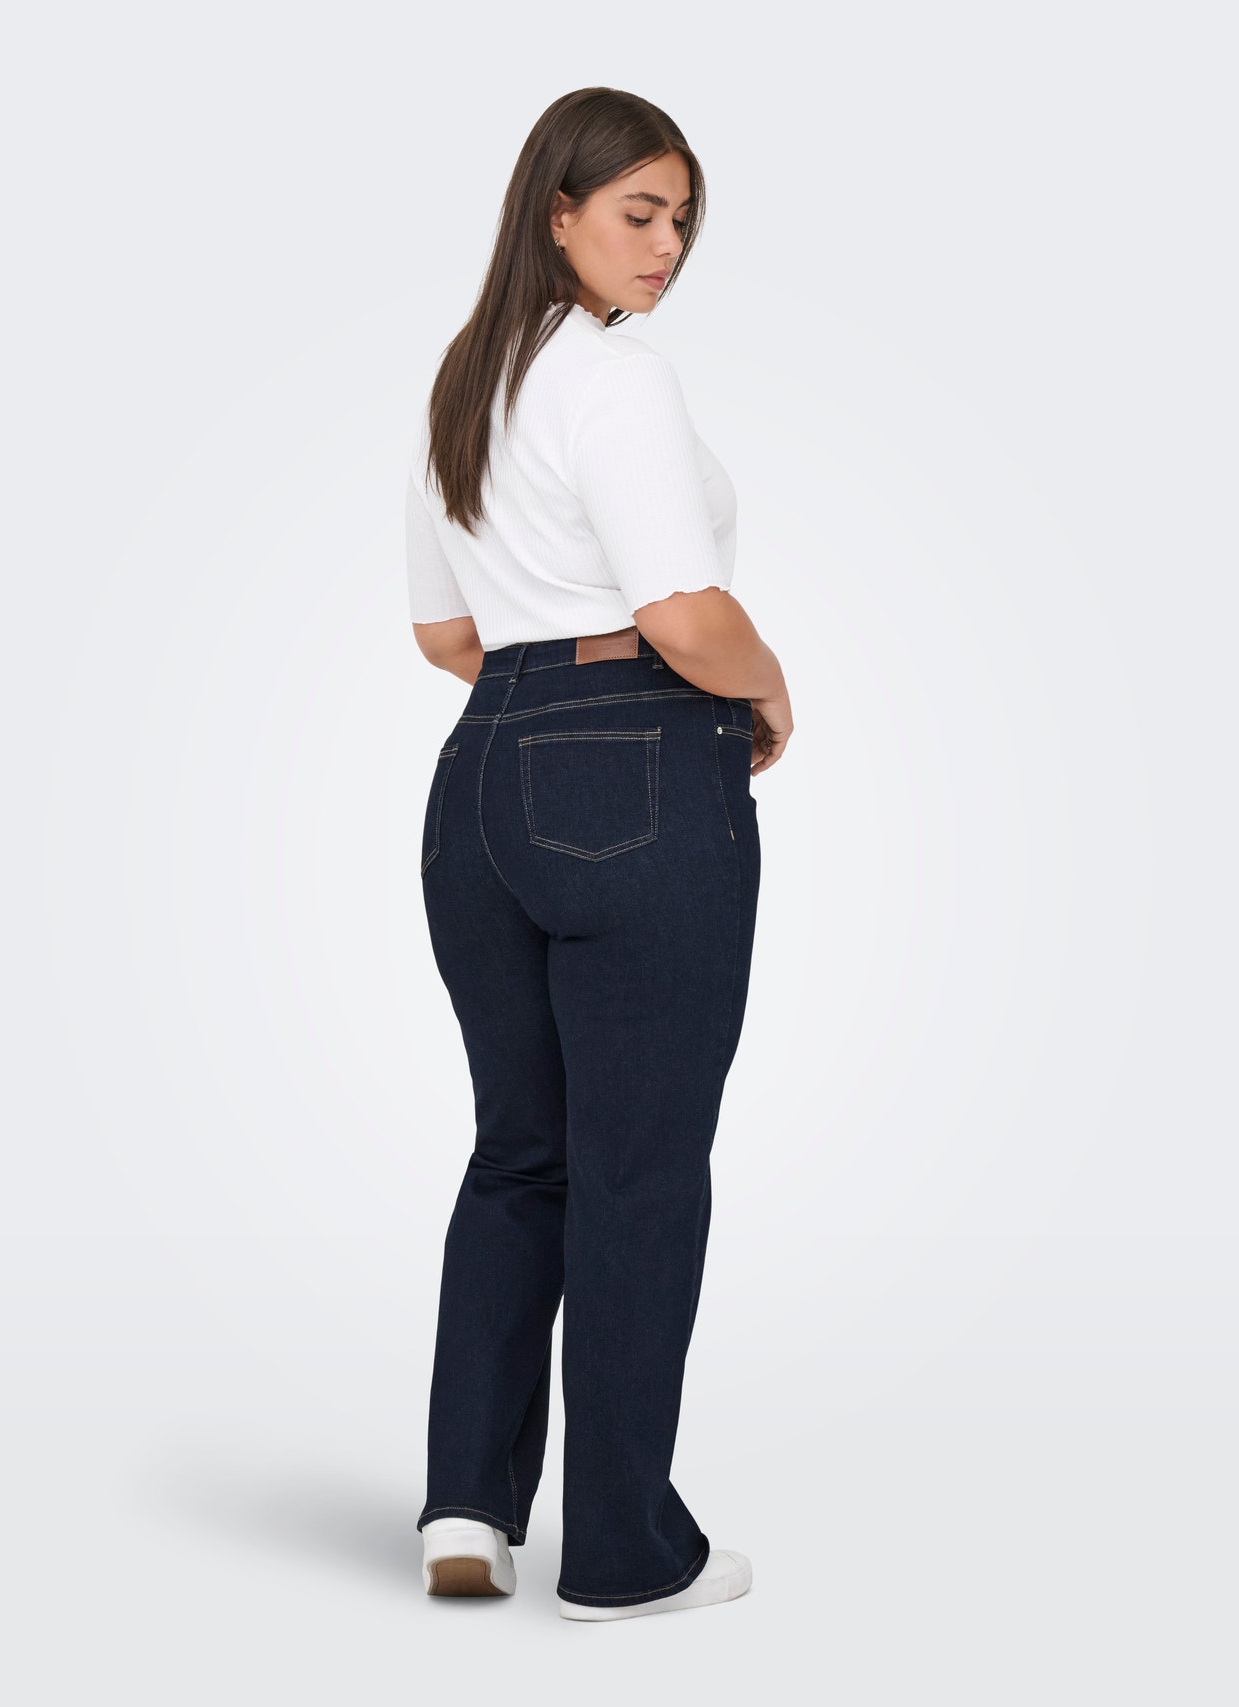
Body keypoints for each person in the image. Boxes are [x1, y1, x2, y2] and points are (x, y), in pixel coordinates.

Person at [404, 87, 793, 1621]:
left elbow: (446, 634)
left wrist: (547, 683)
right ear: (555, 211)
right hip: (633, 769)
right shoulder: (614, 379)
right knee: (637, 1170)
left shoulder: (465, 385)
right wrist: (765, 681)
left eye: (682, 218)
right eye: (639, 211)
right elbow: (684, 614)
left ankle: (466, 1509)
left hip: (480, 778)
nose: (667, 244)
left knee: (523, 1152)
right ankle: (627, 1555)